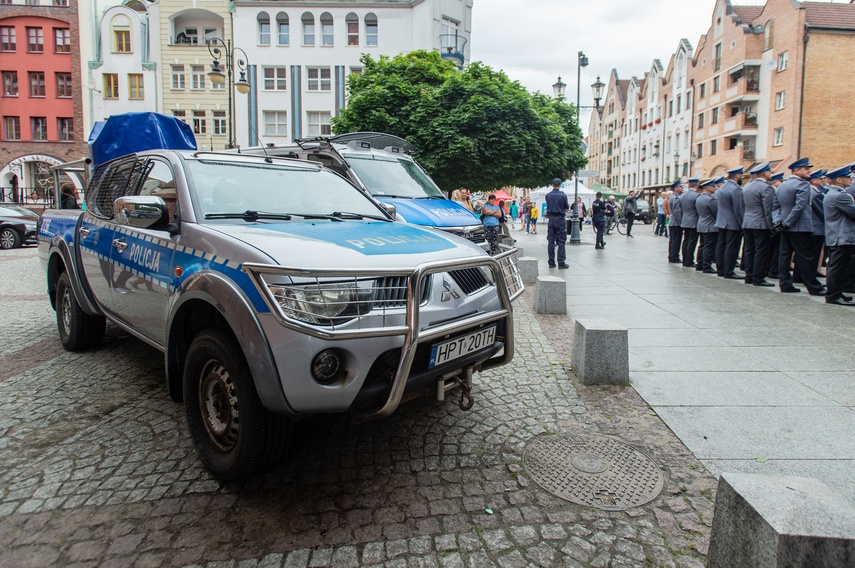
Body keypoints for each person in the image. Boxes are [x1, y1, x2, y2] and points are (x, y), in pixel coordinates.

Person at [774, 157, 825, 295]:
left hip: (785, 226)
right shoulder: (803, 185)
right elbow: (799, 207)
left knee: (784, 255)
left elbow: (775, 207)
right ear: (796, 171)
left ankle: (785, 283)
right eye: (806, 169)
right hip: (799, 226)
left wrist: (778, 221)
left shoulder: (782, 185)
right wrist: (787, 223)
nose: (809, 171)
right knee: (805, 257)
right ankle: (814, 287)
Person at [822, 165, 855, 305]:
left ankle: (837, 293)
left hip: (837, 235)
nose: (850, 179)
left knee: (837, 267)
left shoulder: (832, 193)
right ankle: (833, 295)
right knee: (837, 267)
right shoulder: (841, 195)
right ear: (839, 180)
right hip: (842, 237)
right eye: (847, 177)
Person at [741, 162, 776, 286]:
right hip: (761, 223)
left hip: (748, 221)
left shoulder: (747, 186)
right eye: (769, 171)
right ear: (764, 173)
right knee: (760, 251)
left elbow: (742, 206)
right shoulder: (766, 187)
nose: (771, 173)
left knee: (749, 250)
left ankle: (749, 275)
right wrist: (771, 227)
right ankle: (758, 277)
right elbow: (768, 209)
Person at [714, 166, 744, 279]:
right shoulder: (735, 189)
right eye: (741, 175)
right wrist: (742, 224)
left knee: (721, 246)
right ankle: (729, 271)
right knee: (731, 247)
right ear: (737, 176)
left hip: (721, 221)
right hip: (732, 223)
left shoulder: (722, 188)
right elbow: (738, 209)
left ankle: (720, 269)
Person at [544, 178, 569, 269]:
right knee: (561, 241)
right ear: (560, 184)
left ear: (552, 184)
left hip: (551, 218)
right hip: (560, 218)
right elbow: (566, 208)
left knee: (551, 241)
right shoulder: (563, 195)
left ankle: (551, 262)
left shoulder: (548, 195)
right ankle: (561, 262)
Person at [807, 169, 828, 280]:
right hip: (817, 228)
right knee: (814, 254)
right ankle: (812, 275)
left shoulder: (812, 192)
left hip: (813, 227)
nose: (823, 180)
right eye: (820, 178)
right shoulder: (815, 193)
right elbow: (822, 213)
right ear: (814, 180)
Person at [696, 180, 719, 273]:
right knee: (708, 246)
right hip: (710, 225)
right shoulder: (710, 199)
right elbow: (716, 213)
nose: (715, 188)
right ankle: (706, 265)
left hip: (701, 224)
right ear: (709, 188)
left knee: (702, 245)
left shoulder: (700, 198)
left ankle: (700, 264)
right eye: (713, 187)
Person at [680, 178, 702, 268]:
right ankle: (689, 261)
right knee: (692, 242)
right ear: (697, 184)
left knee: (686, 241)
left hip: (685, 220)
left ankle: (685, 260)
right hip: (694, 220)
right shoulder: (697, 196)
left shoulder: (683, 195)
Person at [667, 180, 684, 263]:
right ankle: (674, 257)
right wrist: (681, 222)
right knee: (676, 241)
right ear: (676, 188)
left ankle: (672, 256)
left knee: (673, 240)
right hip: (676, 223)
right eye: (680, 187)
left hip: (673, 222)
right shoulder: (676, 197)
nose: (682, 188)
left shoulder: (672, 197)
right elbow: (677, 212)